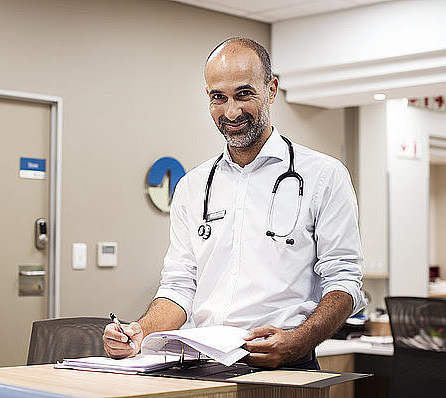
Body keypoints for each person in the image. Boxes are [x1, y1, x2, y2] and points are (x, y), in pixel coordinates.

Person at [102, 37, 366, 369]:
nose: (231, 111)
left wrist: (299, 341)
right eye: (218, 97)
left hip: (284, 365)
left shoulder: (324, 176)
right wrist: (141, 331)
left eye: (243, 94)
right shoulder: (192, 186)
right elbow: (180, 286)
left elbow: (344, 281)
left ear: (271, 89)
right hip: (202, 366)